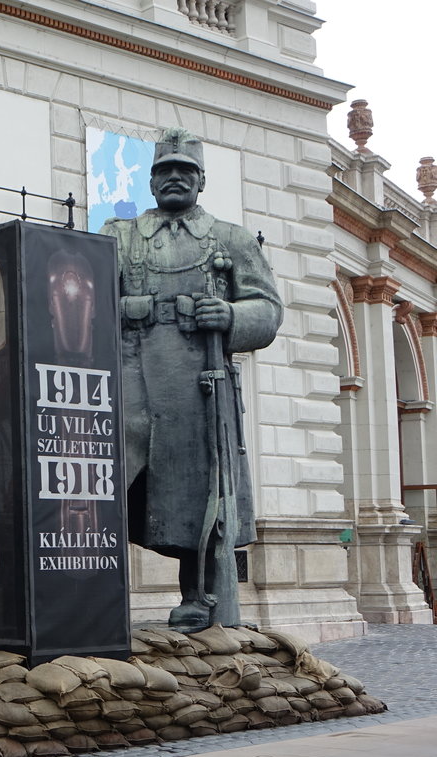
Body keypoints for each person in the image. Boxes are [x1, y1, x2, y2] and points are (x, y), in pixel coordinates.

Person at [101, 128, 282, 630]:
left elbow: (267, 310)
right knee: (107, 485)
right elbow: (80, 295)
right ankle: (94, 593)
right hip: (129, 381)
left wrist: (227, 315)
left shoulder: (230, 240)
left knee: (203, 489)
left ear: (201, 181)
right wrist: (125, 308)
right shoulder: (120, 235)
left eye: (185, 171)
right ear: (150, 180)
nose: (174, 178)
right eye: (164, 171)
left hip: (199, 387)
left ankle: (198, 595)